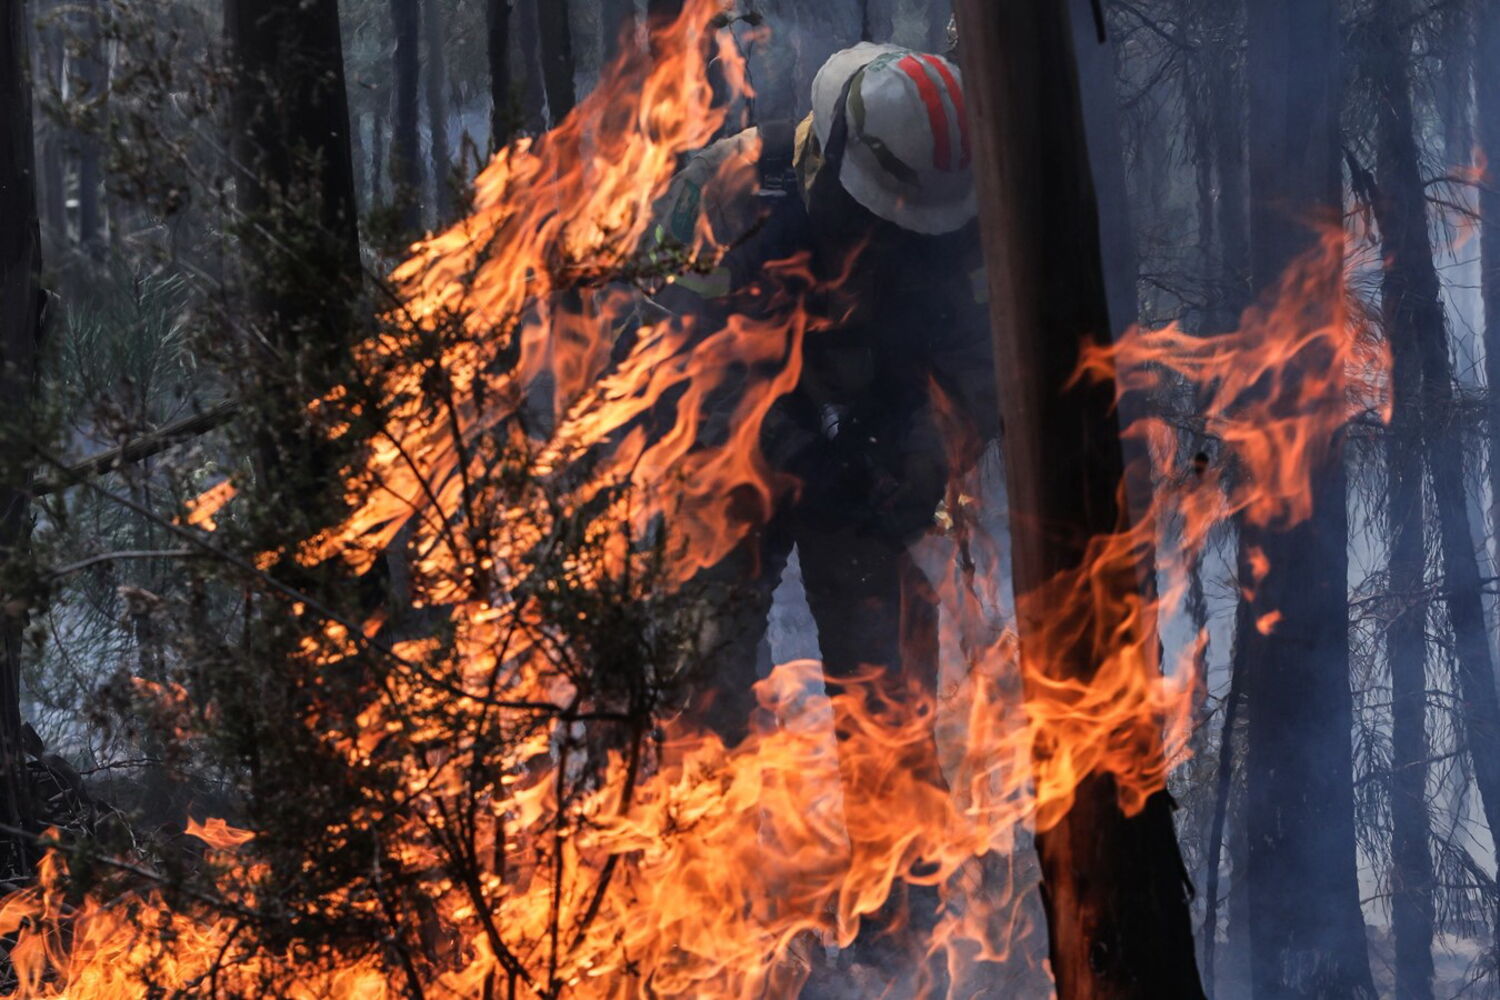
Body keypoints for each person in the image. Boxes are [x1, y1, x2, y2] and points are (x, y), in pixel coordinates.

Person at [644, 41, 996, 988]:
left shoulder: (947, 209)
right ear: (834, 153)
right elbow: (668, 362)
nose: (887, 236)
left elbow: (976, 370)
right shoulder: (723, 195)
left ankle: (899, 947)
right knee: (702, 692)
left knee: (889, 704)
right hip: (729, 469)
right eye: (875, 215)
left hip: (866, 470)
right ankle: (714, 936)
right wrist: (787, 450)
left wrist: (919, 462)